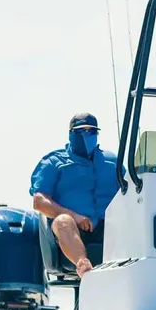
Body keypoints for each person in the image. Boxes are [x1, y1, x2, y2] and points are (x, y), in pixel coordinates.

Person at [29, 113, 123, 277]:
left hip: (108, 228)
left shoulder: (113, 161)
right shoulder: (53, 161)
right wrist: (75, 216)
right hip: (71, 231)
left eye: (91, 131)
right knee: (63, 221)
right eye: (81, 132)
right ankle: (83, 264)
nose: (87, 136)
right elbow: (39, 201)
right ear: (71, 133)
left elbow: (129, 191)